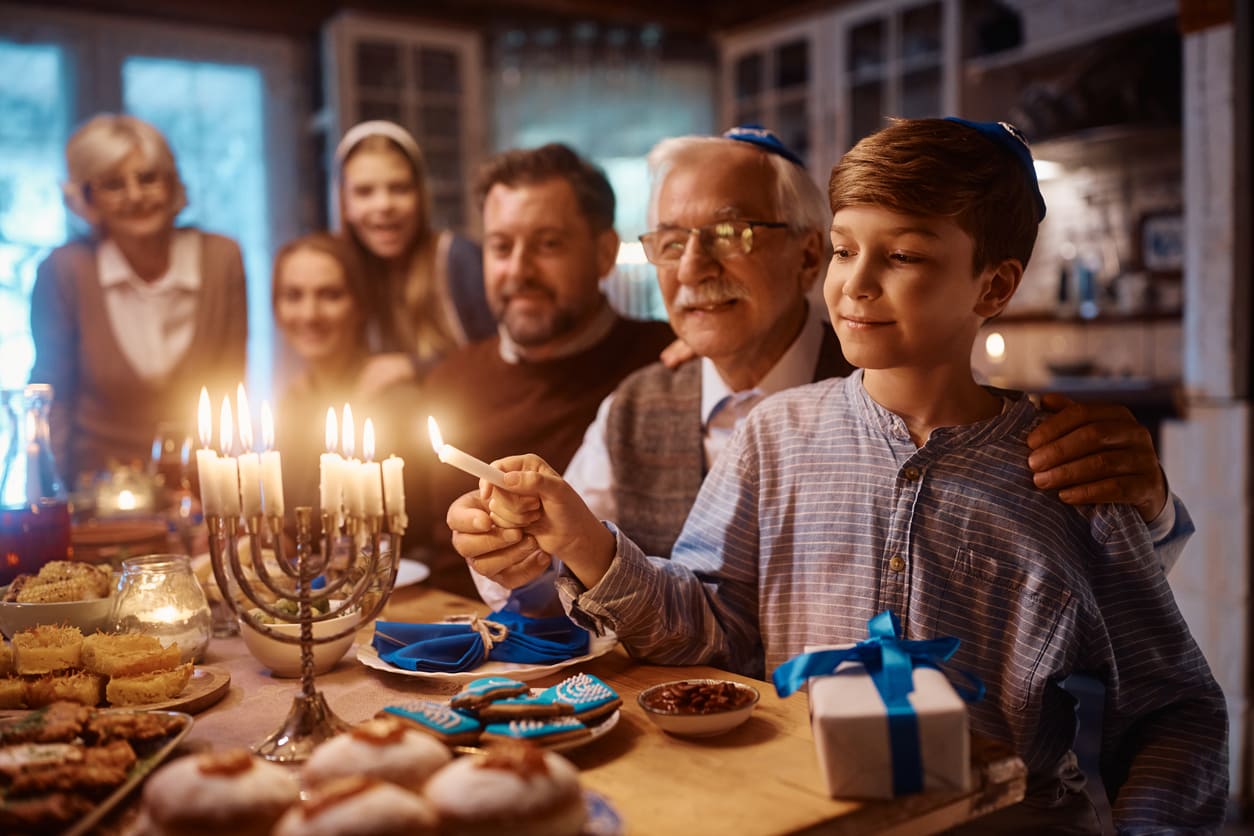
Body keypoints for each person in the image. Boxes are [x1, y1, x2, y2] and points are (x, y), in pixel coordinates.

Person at [472, 118, 1228, 831]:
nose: (857, 284)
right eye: (844, 249)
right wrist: (582, 540)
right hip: (801, 814)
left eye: (902, 256)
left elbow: (1174, 710)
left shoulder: (1063, 467)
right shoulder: (772, 435)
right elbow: (705, 626)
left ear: (993, 288)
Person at [454, 125, 1191, 613]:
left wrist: (1150, 505)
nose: (694, 268)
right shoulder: (641, 399)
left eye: (730, 234)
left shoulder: (897, 366)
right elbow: (563, 571)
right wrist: (513, 555)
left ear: (808, 255)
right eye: (672, 241)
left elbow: (1102, 601)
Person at [415, 143, 675, 568]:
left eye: (548, 244)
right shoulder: (452, 379)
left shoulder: (665, 365)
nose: (518, 270)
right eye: (500, 247)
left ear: (605, 253)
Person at [29, 114, 247, 485]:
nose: (135, 196)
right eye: (113, 184)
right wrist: (52, 495)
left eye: (148, 178)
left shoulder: (221, 259)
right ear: (86, 197)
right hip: (97, 490)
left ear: (172, 182)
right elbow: (53, 399)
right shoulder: (65, 270)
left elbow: (230, 382)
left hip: (199, 486)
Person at [269, 232, 424, 521]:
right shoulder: (292, 400)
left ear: (361, 305)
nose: (310, 314)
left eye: (330, 295)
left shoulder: (396, 400)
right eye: (293, 295)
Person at [334, 121, 495, 390]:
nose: (384, 205)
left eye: (399, 188)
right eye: (364, 192)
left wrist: (413, 367)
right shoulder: (347, 274)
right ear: (344, 203)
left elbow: (506, 354)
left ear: (421, 196)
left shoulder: (456, 259)